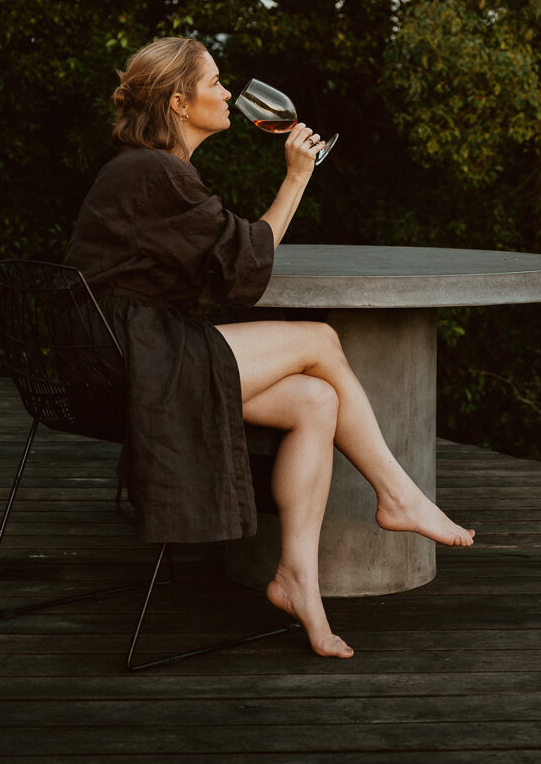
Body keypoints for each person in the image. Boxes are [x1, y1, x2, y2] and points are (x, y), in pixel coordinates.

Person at [63, 36, 474, 660]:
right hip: (128, 359)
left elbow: (235, 260)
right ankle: (398, 494)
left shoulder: (152, 170)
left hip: (124, 350)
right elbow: (245, 269)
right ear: (180, 101)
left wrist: (294, 179)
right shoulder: (156, 174)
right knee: (321, 339)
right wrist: (297, 176)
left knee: (314, 400)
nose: (228, 94)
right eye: (215, 83)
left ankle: (296, 581)